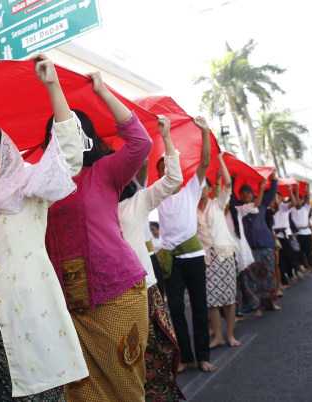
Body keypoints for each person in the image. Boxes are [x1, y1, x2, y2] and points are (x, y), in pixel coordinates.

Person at [0, 52, 88, 401]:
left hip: (32, 321)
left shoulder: (30, 187)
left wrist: (53, 86)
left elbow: (70, 156)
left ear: (3, 155)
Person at [45, 72, 153, 400]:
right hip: (68, 305)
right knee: (83, 394)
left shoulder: (105, 170)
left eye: (71, 129)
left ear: (84, 136)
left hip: (117, 293)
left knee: (126, 389)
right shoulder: (42, 185)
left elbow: (141, 143)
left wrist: (103, 92)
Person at [117, 116, 184, 401]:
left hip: (145, 289)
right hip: (114, 295)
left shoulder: (139, 200)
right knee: (126, 361)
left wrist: (165, 137)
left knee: (156, 352)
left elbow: (172, 179)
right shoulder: (91, 206)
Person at [156, 116, 215, 373]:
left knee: (200, 307)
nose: (165, 173)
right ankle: (186, 357)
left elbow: (204, 162)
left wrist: (204, 131)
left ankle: (203, 356)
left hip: (193, 255)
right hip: (171, 260)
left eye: (168, 168)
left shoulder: (191, 187)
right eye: (161, 170)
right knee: (176, 308)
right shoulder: (157, 195)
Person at [196, 154, 240, 348]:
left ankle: (230, 335)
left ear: (209, 188)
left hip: (224, 254)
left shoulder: (217, 204)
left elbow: (228, 185)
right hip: (206, 258)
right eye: (198, 188)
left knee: (229, 297)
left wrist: (220, 161)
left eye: (203, 187)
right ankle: (219, 336)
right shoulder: (192, 210)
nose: (201, 191)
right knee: (211, 300)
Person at [230, 170, 280, 313]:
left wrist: (274, 178)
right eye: (243, 193)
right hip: (250, 248)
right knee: (253, 278)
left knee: (269, 274)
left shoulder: (262, 204)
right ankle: (257, 306)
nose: (245, 195)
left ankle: (270, 302)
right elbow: (232, 197)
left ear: (253, 194)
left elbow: (272, 192)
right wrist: (233, 180)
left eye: (248, 193)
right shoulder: (239, 208)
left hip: (266, 244)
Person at [272, 189, 300, 285]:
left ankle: (291, 275)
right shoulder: (270, 208)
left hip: (285, 235)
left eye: (278, 196)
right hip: (275, 236)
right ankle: (284, 280)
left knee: (289, 256)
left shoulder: (283, 206)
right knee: (279, 260)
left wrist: (290, 191)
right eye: (275, 196)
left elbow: (294, 202)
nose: (276, 198)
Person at [290, 184, 312, 272]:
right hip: (298, 234)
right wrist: (296, 190)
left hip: (307, 232)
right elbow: (295, 200)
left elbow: (307, 198)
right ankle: (308, 267)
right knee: (301, 252)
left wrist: (307, 188)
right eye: (297, 200)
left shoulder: (306, 208)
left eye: (300, 199)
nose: (299, 201)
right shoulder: (292, 209)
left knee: (310, 251)